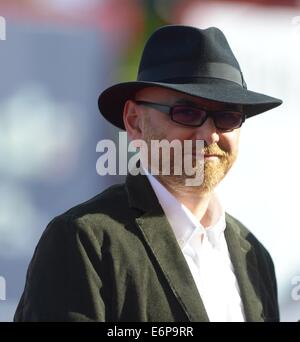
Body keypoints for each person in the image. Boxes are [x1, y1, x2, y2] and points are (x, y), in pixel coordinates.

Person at [14, 25, 282, 322]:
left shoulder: (254, 257)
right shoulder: (84, 241)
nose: (210, 135)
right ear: (135, 121)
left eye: (228, 117)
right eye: (187, 113)